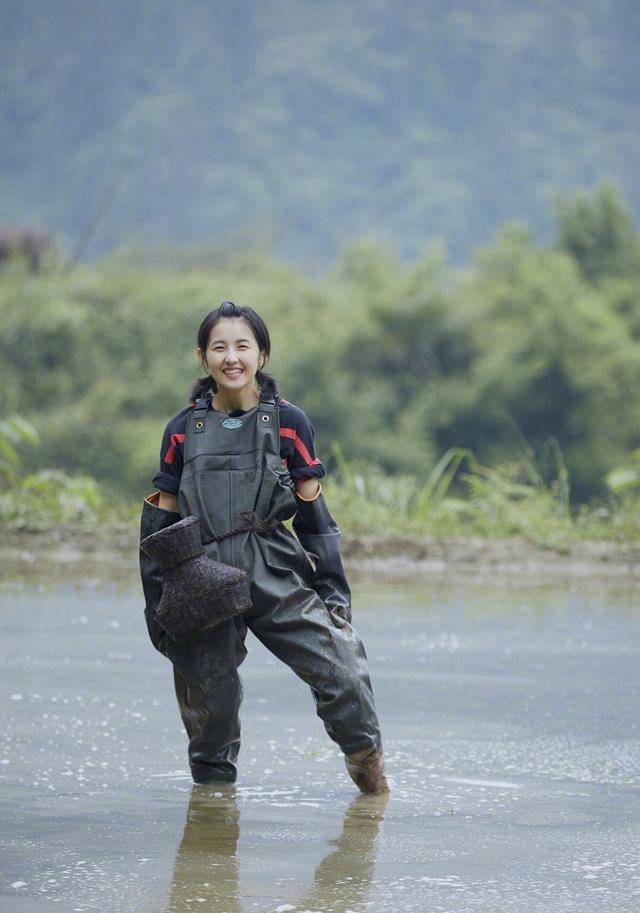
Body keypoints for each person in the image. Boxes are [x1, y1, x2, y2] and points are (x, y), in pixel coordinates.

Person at [139, 300, 388, 794]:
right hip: (199, 574)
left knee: (341, 667)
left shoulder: (290, 422)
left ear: (262, 355)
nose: (231, 357)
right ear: (202, 357)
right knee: (211, 705)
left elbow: (316, 515)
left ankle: (371, 780)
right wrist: (158, 605)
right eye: (219, 347)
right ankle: (213, 816)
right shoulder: (182, 429)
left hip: (273, 566)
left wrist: (335, 593)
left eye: (242, 346)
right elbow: (159, 526)